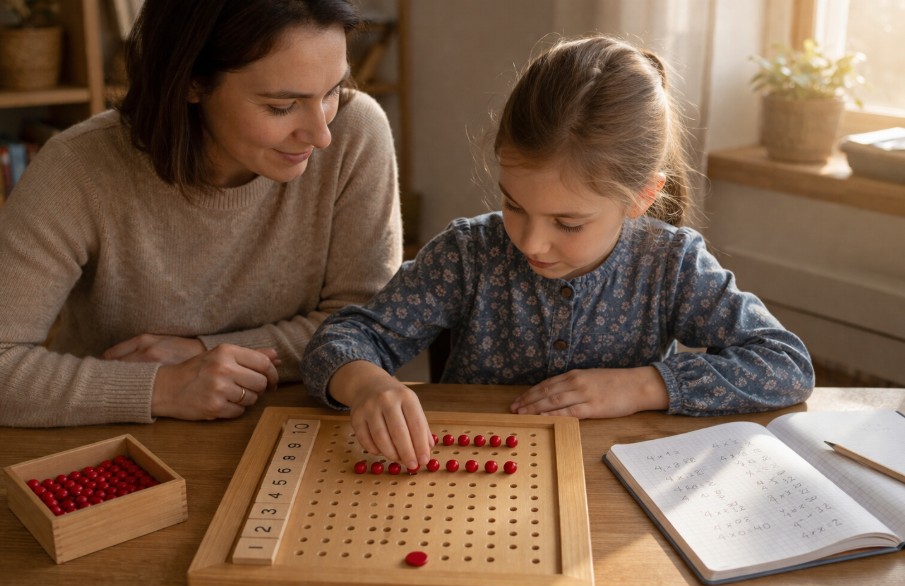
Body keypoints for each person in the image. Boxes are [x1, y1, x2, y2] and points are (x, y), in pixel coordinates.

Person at [301, 35, 815, 472]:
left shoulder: (670, 264)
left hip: (613, 488)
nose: (530, 242)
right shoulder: (469, 254)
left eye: (568, 223)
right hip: (472, 480)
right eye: (513, 204)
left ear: (641, 197)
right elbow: (340, 340)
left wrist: (642, 387)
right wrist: (366, 384)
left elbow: (785, 364)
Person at [0, 0, 402, 427]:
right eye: (281, 105)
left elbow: (373, 324)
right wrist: (161, 388)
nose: (321, 134)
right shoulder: (79, 168)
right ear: (191, 81)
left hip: (300, 425)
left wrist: (207, 354)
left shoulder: (355, 131)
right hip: (112, 442)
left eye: (332, 90)